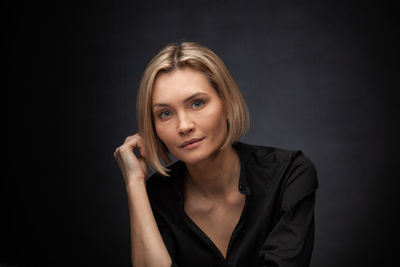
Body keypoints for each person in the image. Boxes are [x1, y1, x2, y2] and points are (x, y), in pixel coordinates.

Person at [114, 41, 318, 267]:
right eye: (165, 114)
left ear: (227, 103)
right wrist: (135, 183)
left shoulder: (289, 174)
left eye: (197, 103)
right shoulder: (156, 196)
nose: (183, 126)